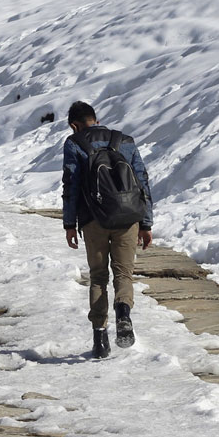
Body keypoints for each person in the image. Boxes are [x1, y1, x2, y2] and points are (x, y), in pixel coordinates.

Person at [61, 100, 154, 359]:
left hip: (94, 220)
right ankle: (123, 313)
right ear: (97, 120)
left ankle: (100, 338)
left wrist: (69, 224)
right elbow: (142, 181)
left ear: (74, 125)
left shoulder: (74, 143)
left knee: (98, 277)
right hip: (128, 219)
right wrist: (146, 223)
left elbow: (71, 184)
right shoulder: (125, 140)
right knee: (123, 274)